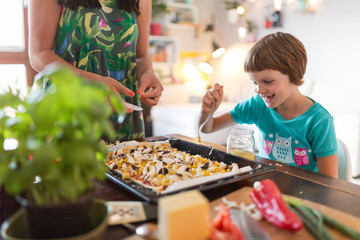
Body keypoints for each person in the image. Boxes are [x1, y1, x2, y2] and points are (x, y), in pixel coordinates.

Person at [200, 32, 338, 178]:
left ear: (294, 73)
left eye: (267, 81)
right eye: (254, 82)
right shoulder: (257, 105)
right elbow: (208, 128)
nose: (258, 90)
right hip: (262, 183)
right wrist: (207, 111)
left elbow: (329, 184)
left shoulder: (319, 121)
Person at [28, 0, 163, 141]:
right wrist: (91, 82)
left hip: (123, 119)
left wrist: (148, 72)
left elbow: (140, 56)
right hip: (68, 109)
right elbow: (39, 54)